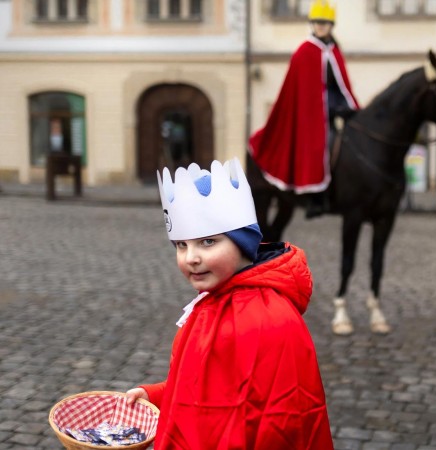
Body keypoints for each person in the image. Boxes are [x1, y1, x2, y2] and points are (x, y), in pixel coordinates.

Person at [126, 158, 334, 449]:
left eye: (208, 242)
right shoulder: (212, 301)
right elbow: (200, 387)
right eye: (181, 245)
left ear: (243, 244)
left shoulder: (269, 319)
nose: (191, 258)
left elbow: (282, 418)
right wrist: (156, 396)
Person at [248, 0, 359, 219]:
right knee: (320, 146)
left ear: (331, 25)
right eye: (318, 22)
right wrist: (325, 108)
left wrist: (345, 107)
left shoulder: (334, 51)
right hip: (308, 118)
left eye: (325, 23)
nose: (321, 26)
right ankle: (314, 198)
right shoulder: (305, 51)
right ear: (312, 24)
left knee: (348, 144)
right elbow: (300, 93)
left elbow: (340, 86)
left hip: (332, 112)